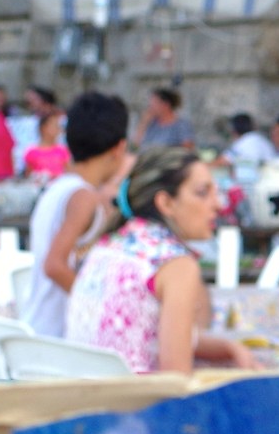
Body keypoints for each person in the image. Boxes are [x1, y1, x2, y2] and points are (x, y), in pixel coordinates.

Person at [67, 145, 258, 373]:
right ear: (166, 203)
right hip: (137, 404)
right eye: (202, 193)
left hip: (87, 398)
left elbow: (143, 336)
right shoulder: (174, 263)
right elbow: (175, 379)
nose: (218, 205)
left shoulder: (109, 244)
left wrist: (226, 347)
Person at [27, 92, 131, 337]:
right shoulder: (82, 197)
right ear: (119, 148)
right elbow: (54, 265)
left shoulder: (58, 187)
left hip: (39, 328)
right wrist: (101, 309)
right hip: (58, 337)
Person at [23, 105, 71, 179]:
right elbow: (28, 176)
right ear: (43, 128)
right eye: (54, 126)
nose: (58, 129)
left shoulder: (62, 150)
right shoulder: (32, 152)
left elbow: (69, 173)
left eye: (58, 126)